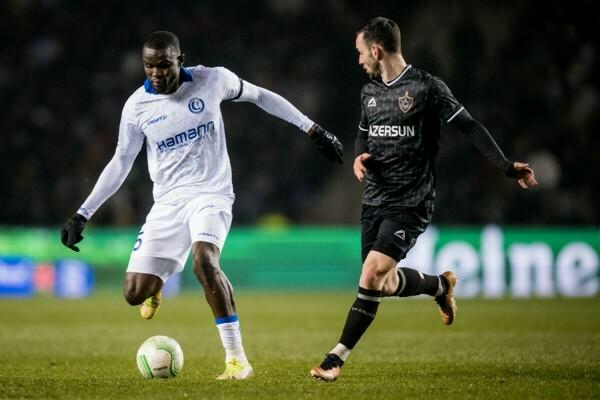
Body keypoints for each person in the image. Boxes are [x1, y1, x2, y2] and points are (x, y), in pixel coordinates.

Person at [60, 31, 343, 380]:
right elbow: (121, 161)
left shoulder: (213, 80)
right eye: (149, 66)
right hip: (167, 202)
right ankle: (157, 283)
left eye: (164, 65)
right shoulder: (136, 107)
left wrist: (312, 129)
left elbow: (260, 96)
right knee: (134, 294)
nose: (157, 74)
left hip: (212, 193)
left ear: (180, 58)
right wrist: (82, 213)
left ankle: (237, 360)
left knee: (204, 262)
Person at [309, 17, 537, 382]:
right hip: (374, 200)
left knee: (370, 275)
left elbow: (470, 127)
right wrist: (359, 155)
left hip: (411, 201)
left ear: (376, 50)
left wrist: (507, 166)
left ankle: (335, 358)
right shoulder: (369, 92)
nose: (358, 60)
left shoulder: (427, 87)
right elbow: (362, 134)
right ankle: (440, 286)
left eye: (359, 52)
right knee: (381, 283)